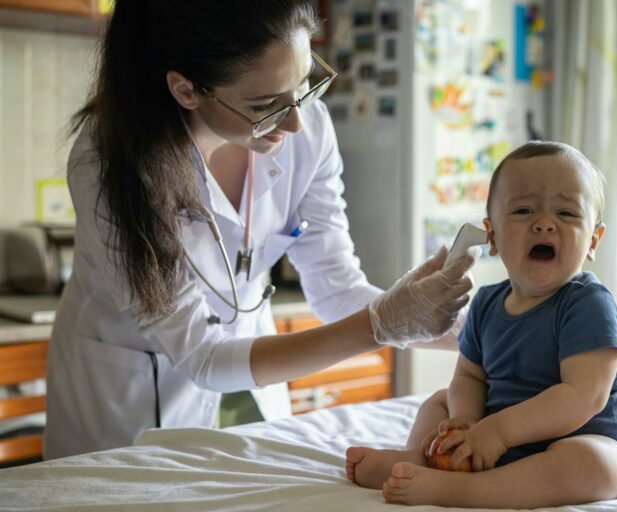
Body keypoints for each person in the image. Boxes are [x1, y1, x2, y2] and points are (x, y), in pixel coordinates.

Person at [44, 0, 477, 460]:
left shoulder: (307, 129)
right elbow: (204, 356)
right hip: (131, 399)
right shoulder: (110, 165)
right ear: (186, 90)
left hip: (251, 383)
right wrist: (381, 325)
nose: (295, 121)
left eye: (304, 83)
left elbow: (336, 288)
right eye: (264, 105)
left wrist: (480, 334)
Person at [346, 141, 617, 509]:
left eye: (566, 213)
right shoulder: (486, 303)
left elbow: (583, 396)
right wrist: (466, 422)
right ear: (492, 237)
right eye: (523, 210)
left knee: (596, 465)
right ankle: (423, 458)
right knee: (440, 403)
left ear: (593, 241)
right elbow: (469, 377)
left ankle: (457, 489)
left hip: (576, 436)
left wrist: (499, 432)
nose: (544, 223)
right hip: (492, 436)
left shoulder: (589, 305)